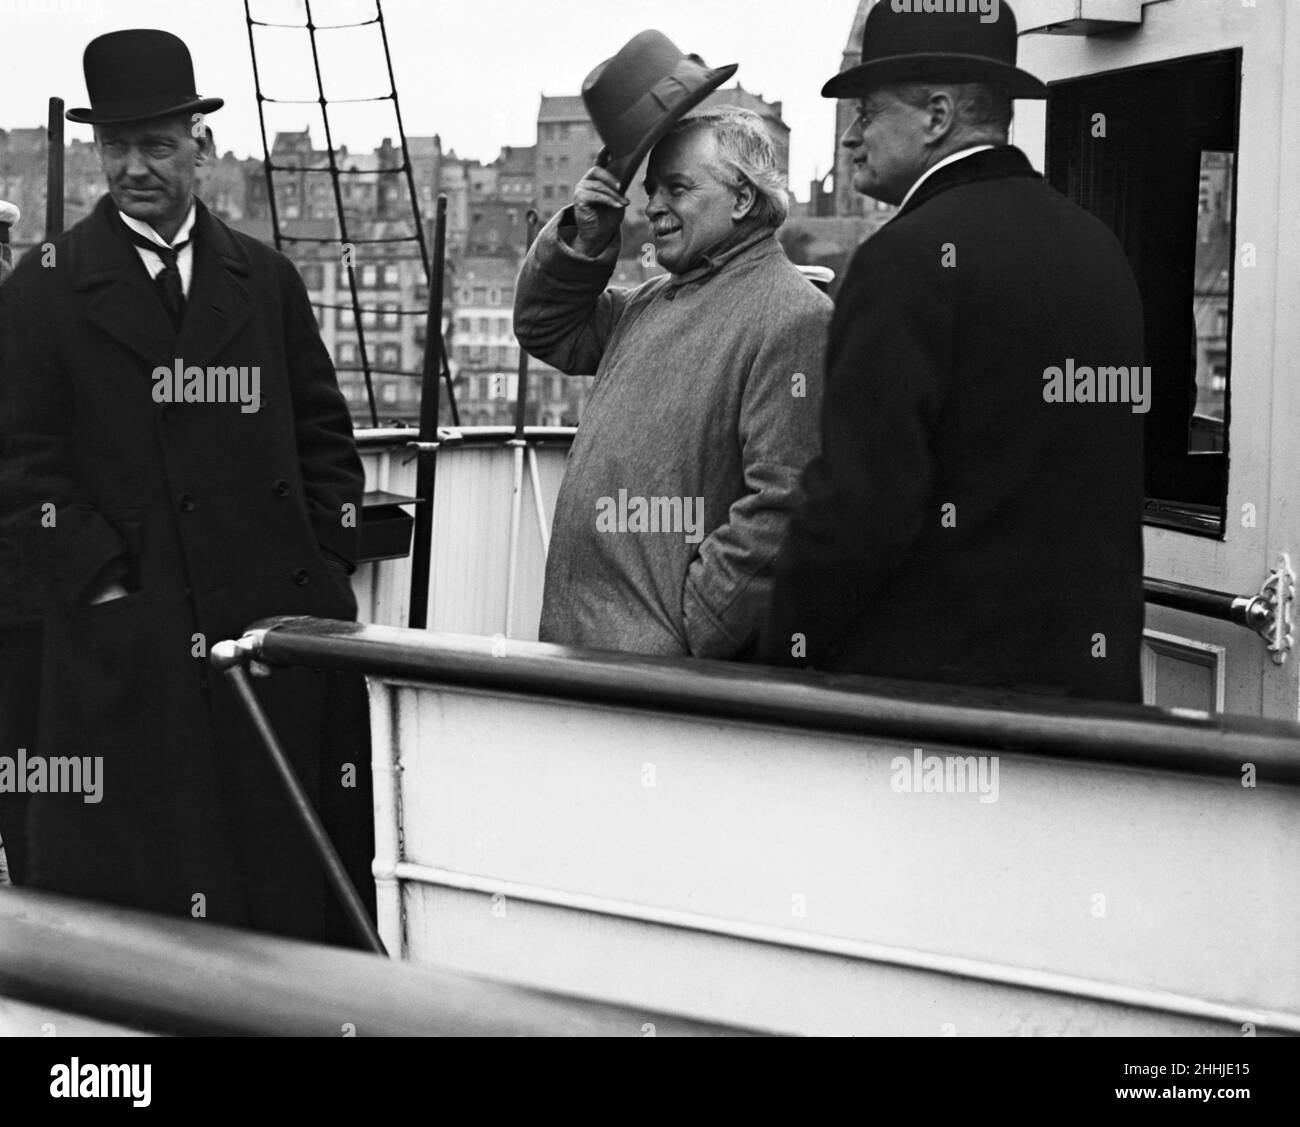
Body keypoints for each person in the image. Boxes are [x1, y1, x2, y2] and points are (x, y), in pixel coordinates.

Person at [0, 29, 374, 943]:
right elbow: (17, 465)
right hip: (128, 655)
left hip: (267, 644)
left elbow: (326, 440)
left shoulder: (268, 280)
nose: (134, 168)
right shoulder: (44, 292)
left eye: (157, 145)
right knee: (148, 908)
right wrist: (106, 584)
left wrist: (320, 567)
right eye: (116, 147)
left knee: (284, 889)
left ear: (199, 147)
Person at [761, 2, 1147, 701]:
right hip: (1090, 707)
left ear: (936, 116)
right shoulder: (1100, 250)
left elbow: (860, 508)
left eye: (868, 113)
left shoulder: (901, 261)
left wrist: (781, 651)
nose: (851, 138)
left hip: (933, 707)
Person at [515, 32, 831, 659]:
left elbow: (783, 504)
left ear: (743, 197)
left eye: (677, 189)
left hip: (658, 671)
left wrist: (694, 627)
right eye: (651, 188)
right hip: (581, 655)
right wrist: (586, 233)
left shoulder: (795, 315)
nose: (653, 207)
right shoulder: (648, 301)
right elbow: (547, 327)